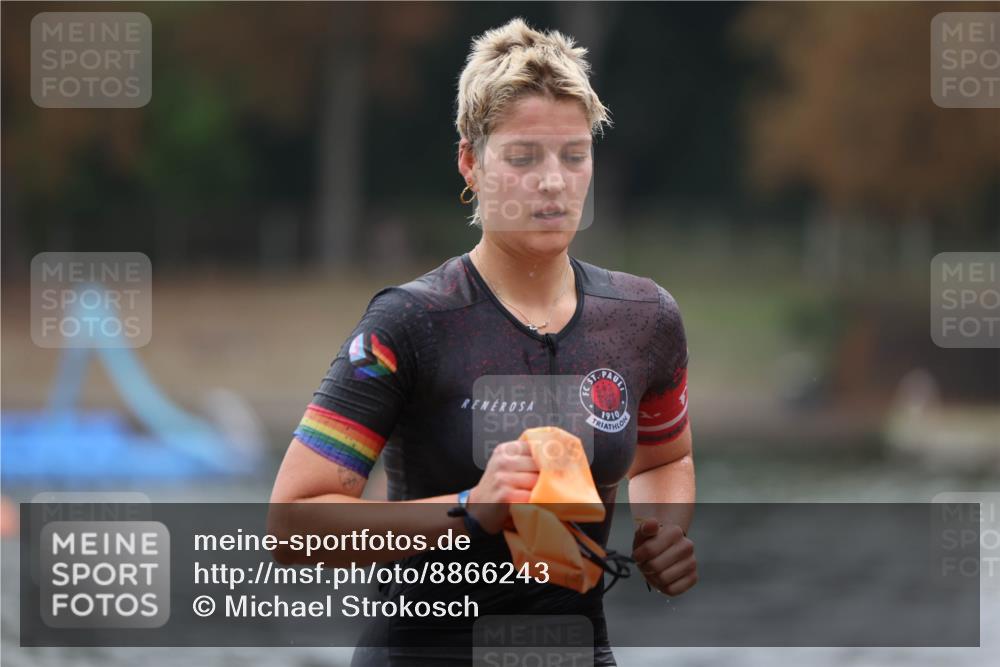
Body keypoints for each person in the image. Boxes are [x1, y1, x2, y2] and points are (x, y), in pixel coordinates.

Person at [269, 17, 697, 666]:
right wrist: (471, 508)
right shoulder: (410, 322)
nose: (553, 182)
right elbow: (293, 524)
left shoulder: (643, 317)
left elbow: (665, 458)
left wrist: (663, 529)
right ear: (471, 160)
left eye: (573, 154)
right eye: (524, 157)